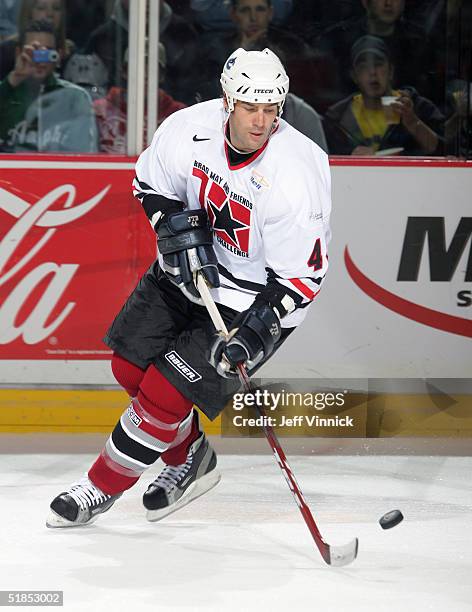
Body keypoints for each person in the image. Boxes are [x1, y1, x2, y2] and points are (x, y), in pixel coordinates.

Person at [46, 47, 332, 528]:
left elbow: (302, 277)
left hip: (249, 303)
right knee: (129, 369)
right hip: (183, 276)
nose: (261, 121)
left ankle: (99, 488)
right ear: (227, 99)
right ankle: (190, 457)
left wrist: (257, 330)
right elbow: (148, 183)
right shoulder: (187, 128)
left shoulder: (297, 172)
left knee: (164, 393)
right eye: (250, 107)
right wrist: (172, 224)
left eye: (271, 108)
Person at [323, 36, 444, 156]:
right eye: (364, 67)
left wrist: (413, 122)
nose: (372, 72)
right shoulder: (337, 118)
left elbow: (445, 153)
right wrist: (350, 158)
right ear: (355, 76)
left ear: (391, 71)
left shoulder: (419, 107)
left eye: (378, 64)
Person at [315, 0, 440, 109]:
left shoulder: (418, 41)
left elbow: (430, 90)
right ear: (365, 2)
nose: (388, 3)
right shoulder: (340, 39)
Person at [0, 19, 98, 152]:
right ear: (19, 53)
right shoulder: (6, 91)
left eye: (48, 52)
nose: (41, 60)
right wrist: (13, 80)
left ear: (58, 55)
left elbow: (85, 155)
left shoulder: (75, 98)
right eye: (35, 52)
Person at [196, 0, 314, 104]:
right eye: (245, 10)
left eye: (260, 9)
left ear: (270, 13)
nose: (253, 17)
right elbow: (213, 92)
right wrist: (243, 49)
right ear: (233, 14)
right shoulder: (216, 49)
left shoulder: (291, 45)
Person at [93, 43, 186, 154]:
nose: (144, 73)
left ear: (162, 75)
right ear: (124, 72)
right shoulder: (100, 110)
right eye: (137, 67)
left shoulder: (178, 115)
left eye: (151, 68)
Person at [0, 0, 73, 80]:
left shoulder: (70, 52)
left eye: (56, 8)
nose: (50, 14)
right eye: (41, 8)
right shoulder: (6, 51)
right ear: (29, 13)